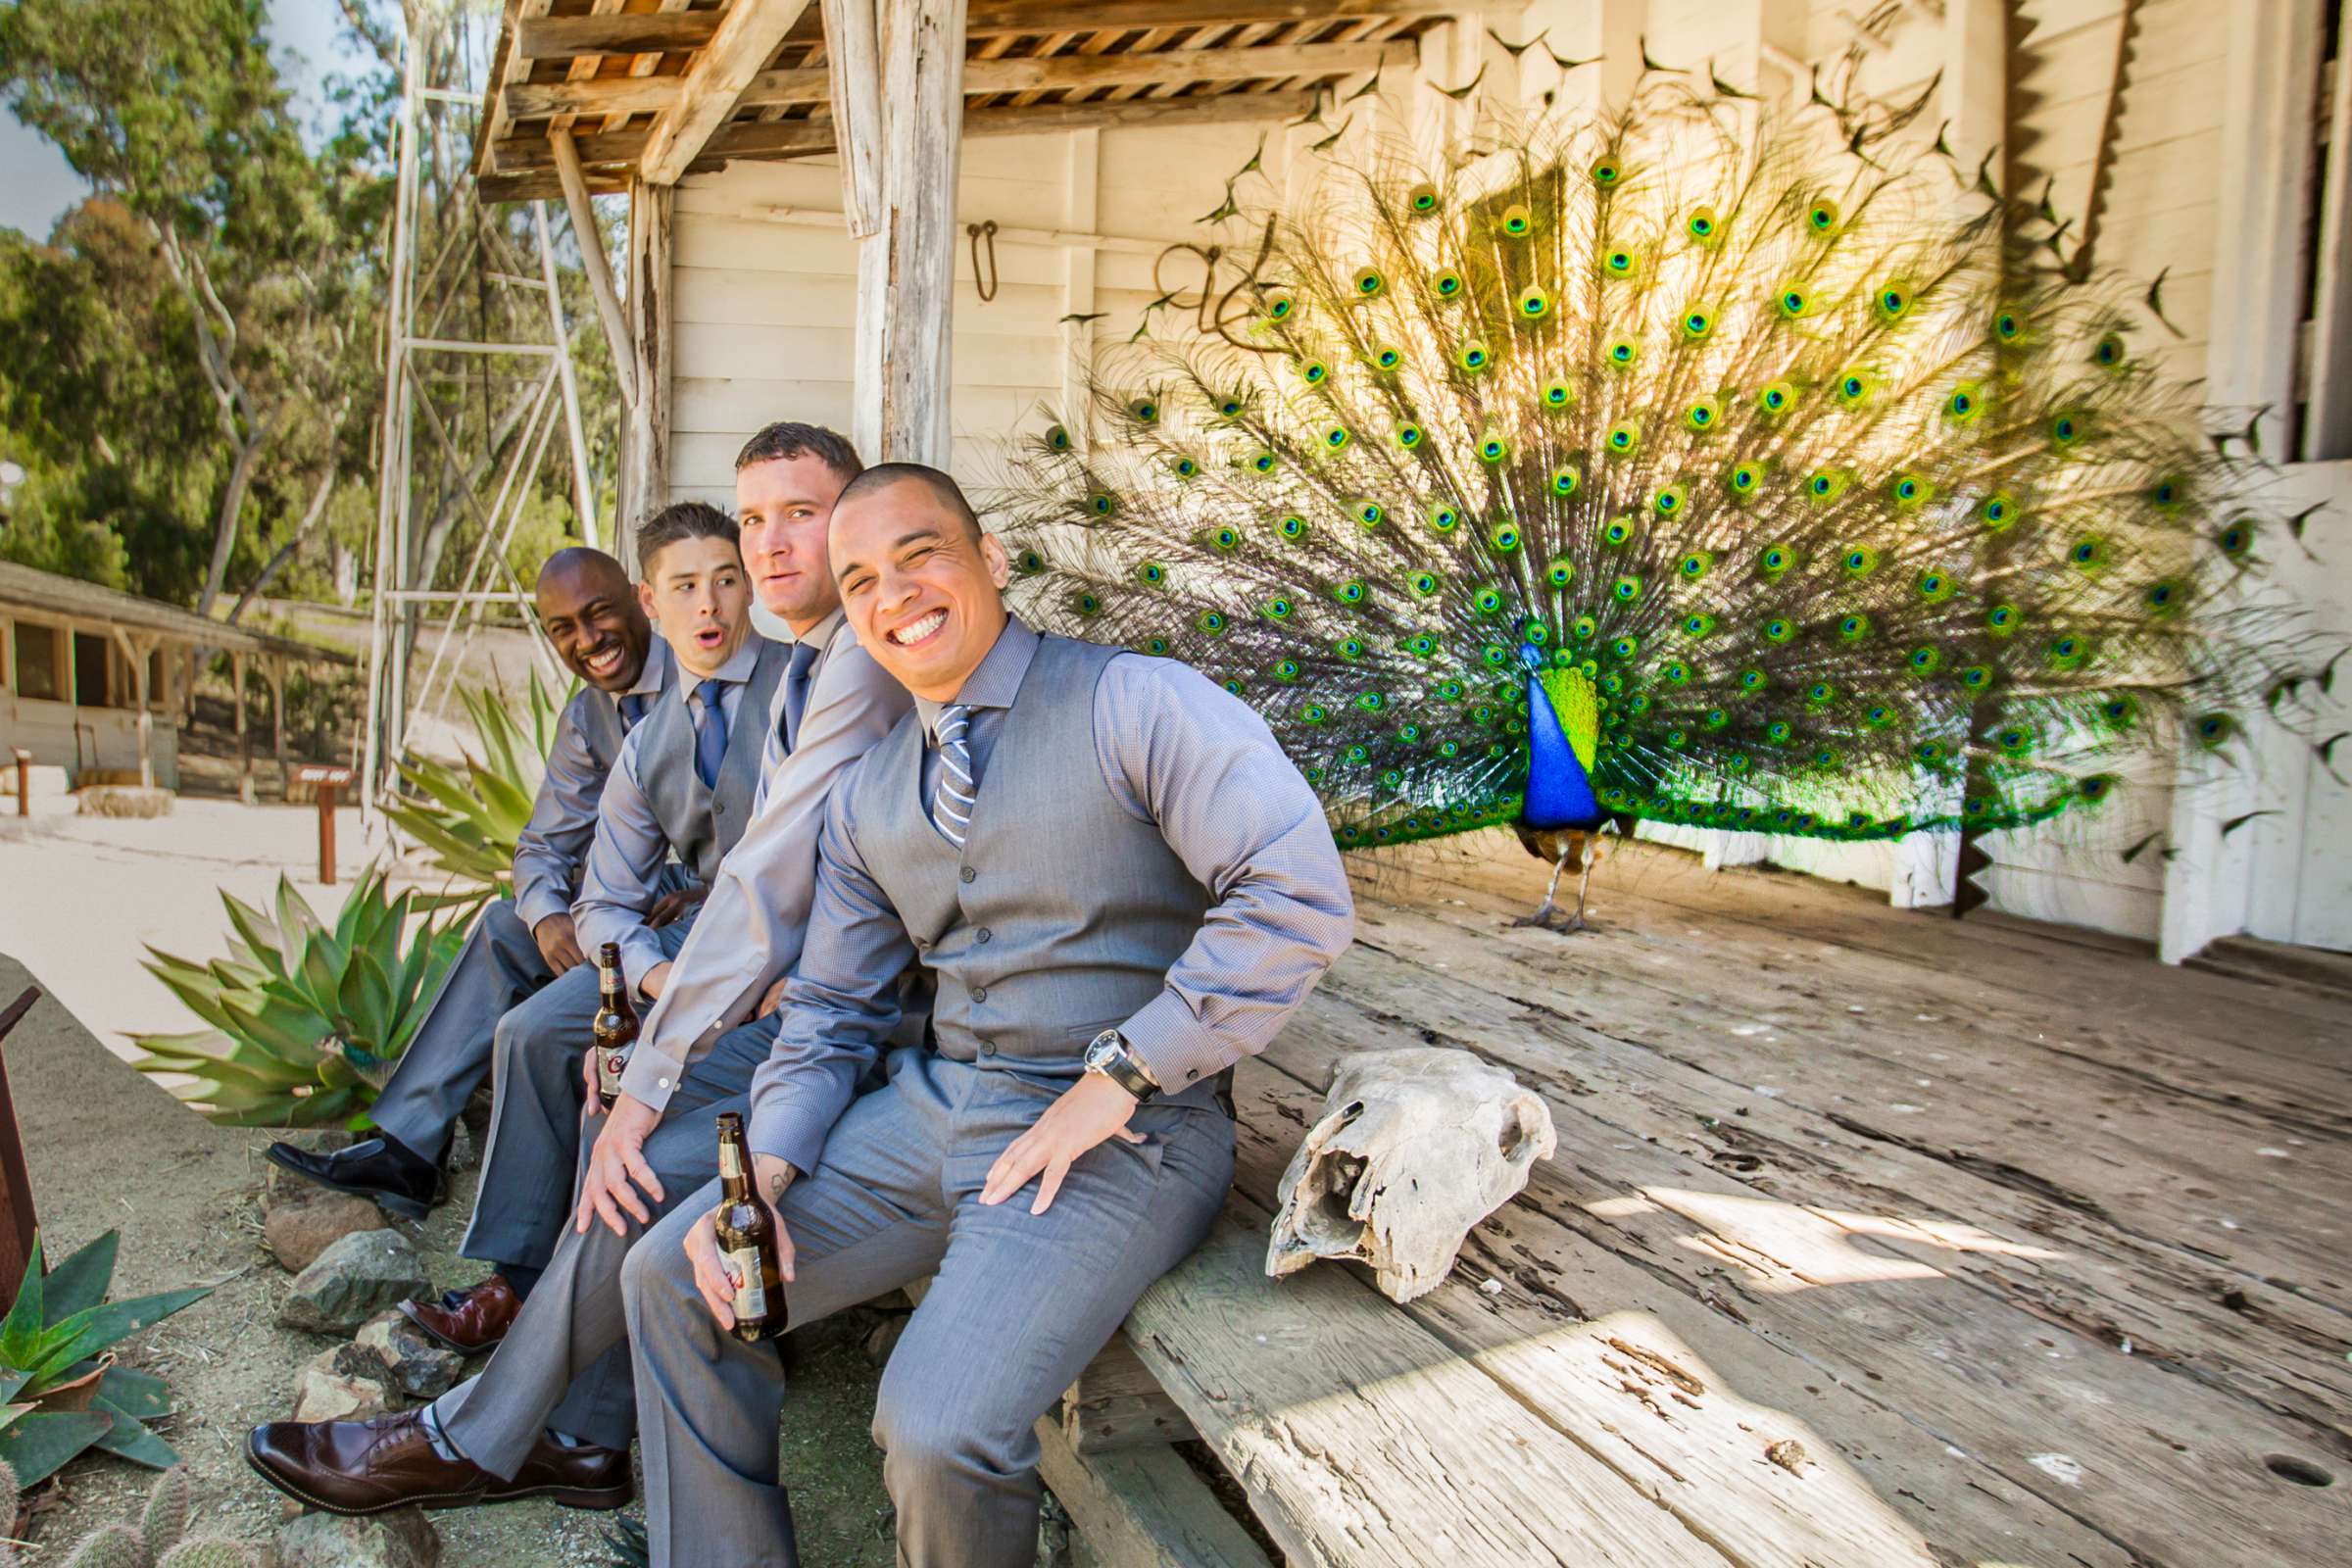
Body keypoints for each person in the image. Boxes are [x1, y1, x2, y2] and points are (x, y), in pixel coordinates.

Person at [629, 464, 1356, 1567]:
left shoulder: (1136, 701)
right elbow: (826, 1009)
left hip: (1127, 1132)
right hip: (938, 1108)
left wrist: (1118, 1077)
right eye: (860, 577)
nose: (894, 594)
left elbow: (1295, 891)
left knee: (932, 1427)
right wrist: (765, 1178)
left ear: (992, 559)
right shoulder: (870, 792)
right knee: (674, 1279)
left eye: (921, 554)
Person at [245, 425, 909, 1516]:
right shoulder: (725, 700)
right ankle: (571, 1420)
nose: (772, 548)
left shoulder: (836, 670)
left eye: (799, 515)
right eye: (755, 518)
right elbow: (586, 868)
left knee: (627, 1144)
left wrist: (657, 1060)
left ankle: (495, 1433)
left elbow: (772, 885)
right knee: (581, 1076)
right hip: (770, 990)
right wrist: (640, 989)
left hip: (837, 1018)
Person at [264, 548, 669, 1218]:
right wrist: (544, 915)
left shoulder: (702, 675)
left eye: (599, 613)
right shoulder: (585, 717)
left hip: (695, 924)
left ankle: (518, 1255)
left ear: (638, 599)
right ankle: (406, 1153)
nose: (587, 640)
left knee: (533, 1024)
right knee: (502, 927)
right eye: (564, 627)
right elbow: (541, 846)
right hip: (624, 911)